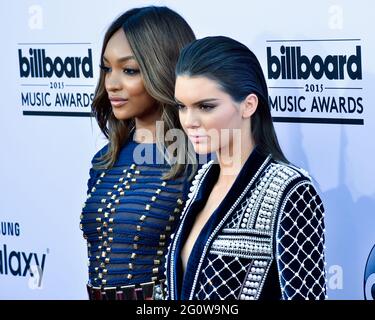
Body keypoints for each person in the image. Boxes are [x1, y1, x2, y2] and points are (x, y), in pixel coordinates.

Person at [161, 36, 327, 300]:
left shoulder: (291, 190)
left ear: (249, 105)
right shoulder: (201, 180)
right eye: (182, 106)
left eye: (205, 106)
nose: (189, 121)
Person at [80, 6, 197, 300]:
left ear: (165, 70)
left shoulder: (199, 159)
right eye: (107, 68)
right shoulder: (105, 159)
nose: (111, 84)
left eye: (129, 70)